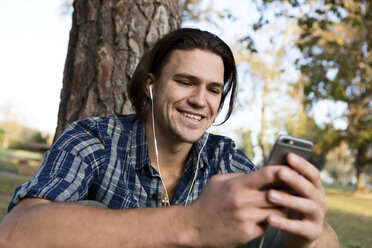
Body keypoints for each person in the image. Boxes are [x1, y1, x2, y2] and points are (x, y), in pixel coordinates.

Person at [0, 28, 338, 248]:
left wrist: (303, 235)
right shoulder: (95, 140)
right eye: (185, 82)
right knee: (85, 210)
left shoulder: (228, 161)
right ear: (152, 84)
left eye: (214, 89)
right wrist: (191, 224)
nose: (199, 100)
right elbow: (16, 232)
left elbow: (325, 239)